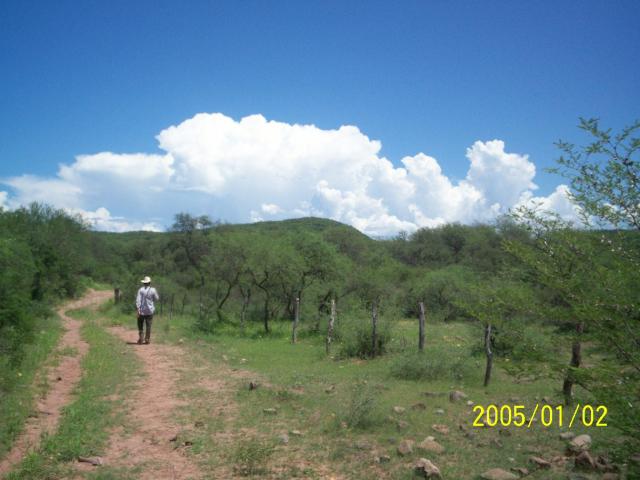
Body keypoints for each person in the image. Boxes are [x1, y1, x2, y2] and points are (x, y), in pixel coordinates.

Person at [136, 276, 160, 344]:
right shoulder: (153, 290)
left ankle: (141, 337)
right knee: (148, 325)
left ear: (144, 283)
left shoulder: (140, 290)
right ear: (149, 283)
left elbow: (138, 300)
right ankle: (147, 339)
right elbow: (157, 298)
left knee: (140, 324)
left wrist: (138, 309)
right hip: (150, 311)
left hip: (141, 311)